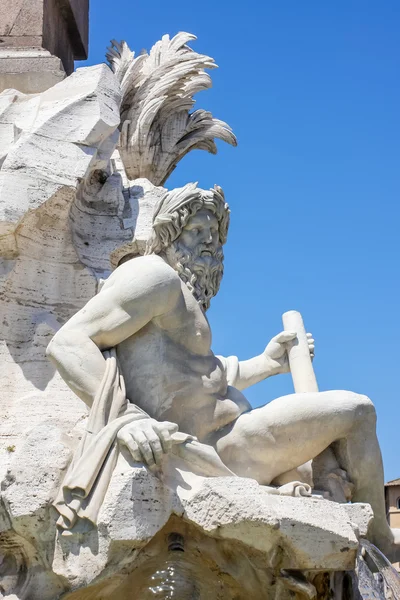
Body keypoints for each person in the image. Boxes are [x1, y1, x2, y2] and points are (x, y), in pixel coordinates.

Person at [47, 183, 399, 558]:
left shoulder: (180, 298)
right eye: (196, 231)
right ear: (168, 232)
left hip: (235, 436)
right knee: (358, 410)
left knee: (332, 471)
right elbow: (68, 344)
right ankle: (381, 539)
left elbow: (204, 377)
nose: (207, 245)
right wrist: (128, 419)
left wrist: (265, 364)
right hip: (223, 446)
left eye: (214, 237)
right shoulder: (153, 277)